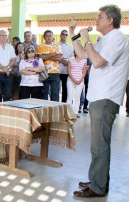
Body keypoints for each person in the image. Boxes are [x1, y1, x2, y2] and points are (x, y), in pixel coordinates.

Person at [69, 4, 129, 198]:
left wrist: (87, 40)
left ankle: (98, 186)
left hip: (106, 97)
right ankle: (97, 179)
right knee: (96, 144)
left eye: (99, 17)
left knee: (100, 145)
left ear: (110, 20)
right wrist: (74, 35)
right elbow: (83, 55)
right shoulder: (105, 39)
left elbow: (97, 62)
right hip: (98, 96)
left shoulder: (118, 39)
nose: (96, 20)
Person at [37, 30, 63, 101]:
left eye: (50, 35)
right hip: (43, 72)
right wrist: (52, 54)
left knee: (55, 93)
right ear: (44, 37)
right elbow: (41, 58)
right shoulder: (40, 46)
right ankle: (44, 109)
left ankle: (54, 110)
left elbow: (59, 57)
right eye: (47, 36)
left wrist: (46, 56)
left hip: (55, 72)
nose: (48, 37)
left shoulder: (57, 46)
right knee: (44, 93)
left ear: (52, 37)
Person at [66, 52, 87, 117]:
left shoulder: (84, 60)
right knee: (70, 96)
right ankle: (68, 112)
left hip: (80, 81)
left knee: (77, 97)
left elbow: (84, 71)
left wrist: (80, 80)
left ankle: (75, 112)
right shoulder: (71, 59)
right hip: (70, 80)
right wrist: (73, 79)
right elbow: (68, 70)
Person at [58, 30, 74, 103]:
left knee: (65, 89)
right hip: (57, 70)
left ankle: (63, 105)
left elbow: (72, 58)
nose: (64, 35)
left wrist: (67, 63)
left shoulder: (70, 46)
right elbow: (55, 56)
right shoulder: (56, 45)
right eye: (63, 34)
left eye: (66, 34)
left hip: (66, 70)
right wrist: (62, 60)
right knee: (56, 89)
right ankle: (55, 104)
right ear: (60, 35)